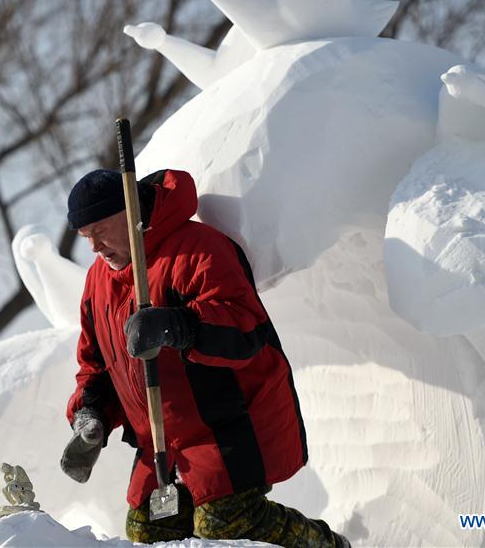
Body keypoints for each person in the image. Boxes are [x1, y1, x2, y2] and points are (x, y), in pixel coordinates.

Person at [60, 168, 349, 547]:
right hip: (164, 444)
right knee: (149, 533)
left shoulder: (197, 247)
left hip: (229, 423)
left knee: (224, 524)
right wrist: (90, 416)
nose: (94, 247)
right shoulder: (98, 284)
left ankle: (327, 544)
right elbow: (96, 366)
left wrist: (177, 325)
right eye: (86, 237)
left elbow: (247, 327)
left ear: (130, 212)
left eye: (101, 230)